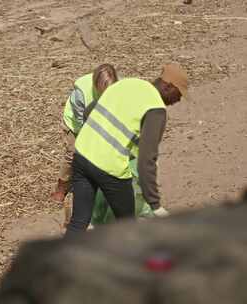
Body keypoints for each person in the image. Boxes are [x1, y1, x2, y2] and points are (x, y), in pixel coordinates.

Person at [67, 64, 188, 233]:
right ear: (169, 87)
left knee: (78, 222)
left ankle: (61, 259)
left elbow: (88, 113)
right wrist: (155, 205)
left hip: (81, 156)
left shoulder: (127, 84)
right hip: (109, 168)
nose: (179, 100)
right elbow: (146, 161)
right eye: (179, 94)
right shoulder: (156, 109)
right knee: (127, 226)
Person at [50, 64, 118, 226]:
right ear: (96, 85)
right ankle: (62, 187)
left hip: (102, 122)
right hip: (77, 125)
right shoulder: (81, 92)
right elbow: (83, 123)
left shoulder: (118, 87)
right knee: (72, 154)